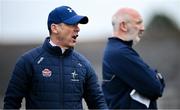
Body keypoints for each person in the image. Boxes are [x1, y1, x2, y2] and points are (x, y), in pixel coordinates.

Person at [4, 5, 107, 109]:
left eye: (78, 25)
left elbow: (98, 103)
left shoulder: (84, 65)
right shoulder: (28, 61)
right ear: (54, 28)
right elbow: (11, 103)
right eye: (72, 24)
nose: (78, 29)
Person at [102, 7, 165, 109]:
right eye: (138, 23)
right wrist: (158, 77)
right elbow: (156, 88)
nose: (143, 28)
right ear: (123, 26)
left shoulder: (117, 50)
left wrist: (154, 77)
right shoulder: (120, 53)